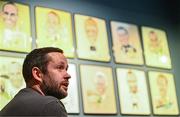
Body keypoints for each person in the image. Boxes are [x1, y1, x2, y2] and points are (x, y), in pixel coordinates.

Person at [0, 47, 71, 116]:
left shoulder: (9, 107)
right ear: (38, 74)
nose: (68, 75)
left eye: (66, 69)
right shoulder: (49, 105)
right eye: (60, 67)